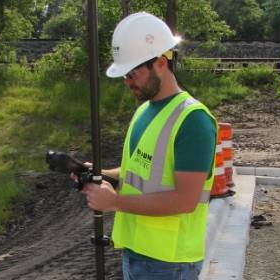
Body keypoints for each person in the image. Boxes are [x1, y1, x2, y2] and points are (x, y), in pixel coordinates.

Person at [82, 12, 217, 280]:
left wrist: (115, 202)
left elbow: (186, 200)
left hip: (169, 263)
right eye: (124, 75)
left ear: (160, 64)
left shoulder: (193, 122)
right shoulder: (145, 110)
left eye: (133, 73)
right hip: (137, 254)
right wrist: (100, 172)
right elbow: (141, 172)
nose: (127, 82)